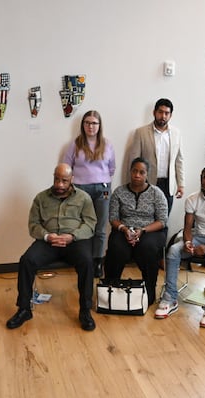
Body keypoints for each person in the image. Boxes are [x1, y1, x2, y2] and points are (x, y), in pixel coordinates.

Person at [6, 163, 98, 331]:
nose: (60, 185)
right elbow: (33, 224)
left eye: (64, 181)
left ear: (72, 180)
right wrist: (48, 236)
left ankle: (85, 311)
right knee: (27, 260)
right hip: (48, 241)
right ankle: (24, 309)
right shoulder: (41, 198)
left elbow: (90, 224)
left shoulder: (83, 198)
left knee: (86, 261)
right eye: (57, 179)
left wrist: (72, 236)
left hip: (74, 241)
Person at [155, 165, 205, 328]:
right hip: (198, 236)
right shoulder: (192, 199)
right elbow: (188, 227)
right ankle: (170, 298)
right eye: (204, 177)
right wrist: (188, 242)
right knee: (174, 250)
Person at [104, 157, 168, 305]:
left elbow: (162, 221)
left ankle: (149, 292)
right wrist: (125, 229)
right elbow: (113, 218)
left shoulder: (156, 193)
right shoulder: (119, 192)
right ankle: (111, 289)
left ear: (147, 174)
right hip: (124, 230)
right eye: (134, 171)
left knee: (147, 248)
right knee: (117, 248)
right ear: (130, 172)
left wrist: (143, 230)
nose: (137, 175)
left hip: (150, 231)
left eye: (141, 172)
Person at [62, 110, 116, 278]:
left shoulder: (107, 145)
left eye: (94, 123)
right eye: (87, 123)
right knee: (81, 226)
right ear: (82, 125)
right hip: (80, 190)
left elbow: (112, 168)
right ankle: (82, 260)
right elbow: (66, 166)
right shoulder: (75, 144)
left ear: (99, 126)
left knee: (100, 228)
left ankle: (98, 262)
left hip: (103, 189)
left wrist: (100, 179)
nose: (90, 126)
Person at [128, 98, 184, 214]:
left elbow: (179, 160)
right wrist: (133, 183)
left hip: (168, 185)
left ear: (170, 115)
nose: (163, 116)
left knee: (164, 219)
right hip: (147, 183)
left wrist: (181, 184)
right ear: (154, 112)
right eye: (160, 112)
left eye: (166, 113)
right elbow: (134, 160)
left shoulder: (176, 133)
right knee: (145, 218)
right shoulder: (141, 132)